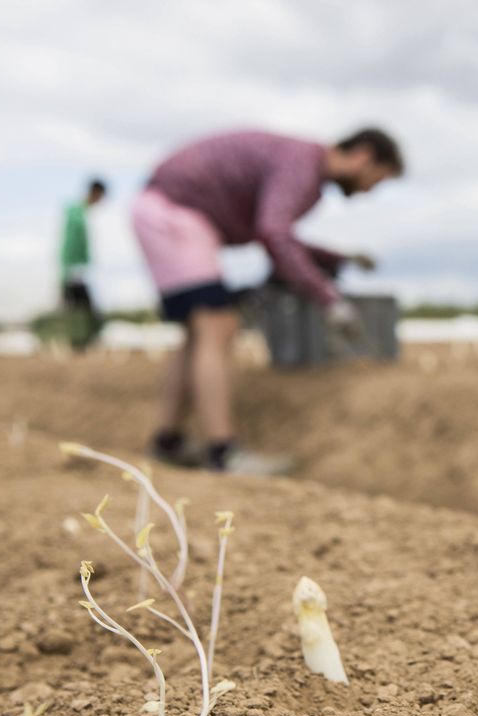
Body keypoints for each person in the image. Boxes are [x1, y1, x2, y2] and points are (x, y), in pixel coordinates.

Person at [132, 127, 404, 474]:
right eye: (375, 180)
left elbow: (277, 236)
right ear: (363, 156)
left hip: (163, 209)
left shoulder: (304, 165)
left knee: (199, 333)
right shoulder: (304, 166)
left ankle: (167, 441)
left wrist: (337, 259)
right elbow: (274, 233)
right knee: (218, 325)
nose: (369, 191)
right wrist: (328, 298)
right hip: (176, 213)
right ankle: (223, 453)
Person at [60, 178, 107, 350]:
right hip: (74, 269)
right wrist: (71, 268)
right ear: (95, 193)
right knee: (80, 306)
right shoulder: (76, 212)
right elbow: (71, 243)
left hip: (79, 268)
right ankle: (78, 342)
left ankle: (80, 343)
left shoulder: (82, 212)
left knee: (79, 306)